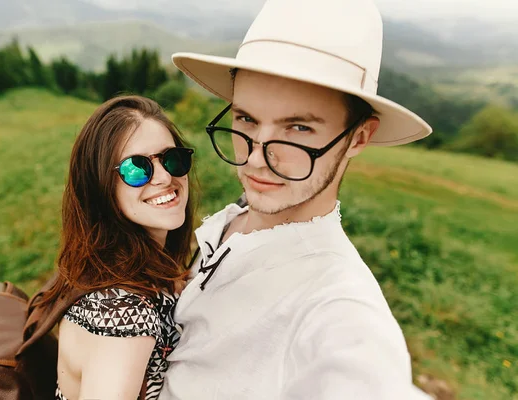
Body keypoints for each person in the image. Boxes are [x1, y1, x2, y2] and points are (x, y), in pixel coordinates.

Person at [160, 0, 434, 399]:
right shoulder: (233, 219)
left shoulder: (338, 304)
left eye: (299, 128)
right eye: (246, 119)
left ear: (358, 137)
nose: (255, 157)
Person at [40, 95, 195, 400]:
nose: (165, 177)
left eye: (171, 158)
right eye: (136, 169)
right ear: (100, 186)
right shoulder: (125, 314)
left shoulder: (110, 268)